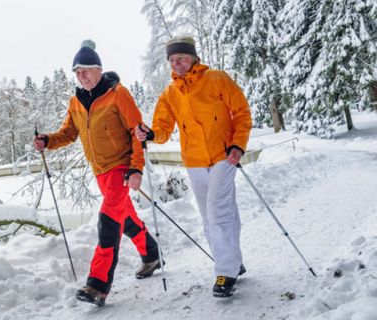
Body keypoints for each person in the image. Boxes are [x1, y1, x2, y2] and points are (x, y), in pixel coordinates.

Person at [34, 40, 160, 306]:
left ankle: (98, 284)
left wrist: (136, 168)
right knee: (125, 219)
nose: (82, 76)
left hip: (121, 169)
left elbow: (137, 133)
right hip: (100, 172)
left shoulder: (118, 94)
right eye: (77, 72)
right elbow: (68, 133)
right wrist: (48, 140)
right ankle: (151, 254)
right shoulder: (77, 101)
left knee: (108, 222)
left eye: (86, 70)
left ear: (99, 69)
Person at [136, 35, 252, 298]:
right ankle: (233, 261)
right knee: (213, 214)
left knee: (218, 211)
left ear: (193, 57)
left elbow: (242, 113)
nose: (177, 64)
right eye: (172, 60)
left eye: (181, 58)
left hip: (224, 156)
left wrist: (238, 144)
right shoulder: (170, 93)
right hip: (195, 161)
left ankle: (225, 272)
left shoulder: (217, 79)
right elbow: (163, 129)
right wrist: (150, 134)